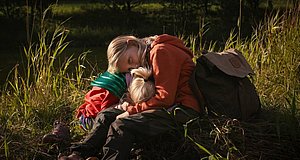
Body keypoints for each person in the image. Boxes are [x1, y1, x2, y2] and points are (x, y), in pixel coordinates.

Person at [59, 34, 201, 160]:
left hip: (182, 110)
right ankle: (78, 154)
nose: (135, 65)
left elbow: (165, 98)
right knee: (106, 114)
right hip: (169, 105)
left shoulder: (160, 51)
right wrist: (129, 105)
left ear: (132, 43)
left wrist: (131, 111)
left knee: (121, 125)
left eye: (130, 59)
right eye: (129, 68)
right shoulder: (150, 52)